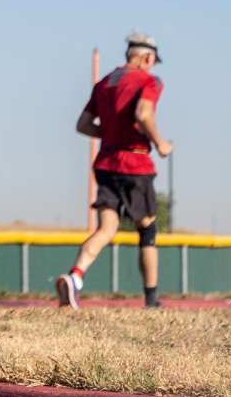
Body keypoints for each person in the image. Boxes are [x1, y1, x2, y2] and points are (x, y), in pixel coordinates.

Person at [56, 32, 173, 310]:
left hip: (106, 162)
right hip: (135, 163)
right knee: (147, 229)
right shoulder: (149, 81)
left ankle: (75, 277)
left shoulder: (105, 83)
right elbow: (143, 114)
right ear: (147, 57)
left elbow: (83, 124)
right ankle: (151, 300)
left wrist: (109, 133)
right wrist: (160, 143)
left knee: (106, 228)